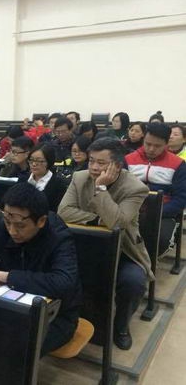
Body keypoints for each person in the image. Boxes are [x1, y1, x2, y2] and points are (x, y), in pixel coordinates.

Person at [0, 182, 82, 356]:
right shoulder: (6, 225)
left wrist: (9, 277)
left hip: (56, 316)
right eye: (7, 222)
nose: (12, 231)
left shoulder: (59, 236)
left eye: (20, 226)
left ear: (41, 221)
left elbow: (64, 282)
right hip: (13, 308)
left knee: (13, 346)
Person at [58, 137, 152, 350]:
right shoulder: (79, 177)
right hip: (86, 246)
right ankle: (75, 320)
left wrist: (101, 189)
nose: (93, 167)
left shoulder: (135, 188)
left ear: (117, 165)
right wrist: (98, 220)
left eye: (101, 163)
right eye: (91, 160)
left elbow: (118, 223)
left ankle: (121, 326)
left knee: (133, 282)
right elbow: (63, 212)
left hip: (123, 249)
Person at [126, 123, 186, 255]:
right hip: (130, 210)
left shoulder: (178, 165)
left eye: (157, 146)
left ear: (166, 144)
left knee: (160, 240)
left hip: (162, 213)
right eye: (148, 144)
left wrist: (157, 213)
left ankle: (146, 263)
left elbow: (181, 199)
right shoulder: (129, 160)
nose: (151, 149)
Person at [27, 143, 67, 212]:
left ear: (49, 161)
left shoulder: (58, 184)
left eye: (39, 161)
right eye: (31, 160)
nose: (34, 164)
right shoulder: (23, 179)